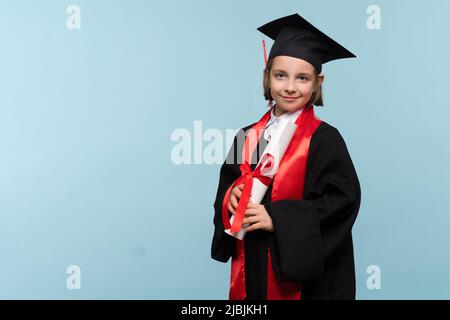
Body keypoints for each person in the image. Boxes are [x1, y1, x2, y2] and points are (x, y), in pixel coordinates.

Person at [211, 13, 361, 300]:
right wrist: (231, 196)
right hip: (254, 257)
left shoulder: (323, 139)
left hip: (300, 272)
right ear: (267, 76)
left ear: (317, 83)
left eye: (302, 78)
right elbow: (227, 188)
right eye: (281, 75)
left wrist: (278, 219)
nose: (290, 87)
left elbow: (343, 201)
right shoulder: (247, 135)